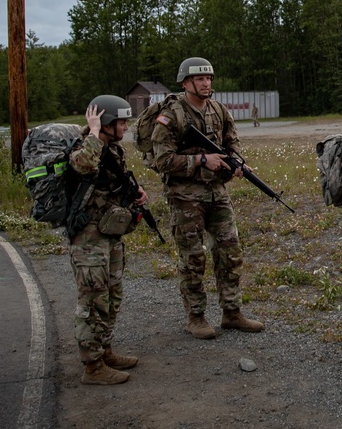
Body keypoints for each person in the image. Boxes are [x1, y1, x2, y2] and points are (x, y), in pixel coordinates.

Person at [151, 57, 264, 339]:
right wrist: (202, 160)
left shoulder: (219, 110)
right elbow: (162, 160)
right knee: (192, 257)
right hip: (185, 197)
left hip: (216, 192)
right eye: (200, 79)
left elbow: (231, 143)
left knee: (230, 251)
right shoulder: (171, 115)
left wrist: (237, 163)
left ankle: (232, 312)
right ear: (185, 83)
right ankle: (196, 316)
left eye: (209, 78)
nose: (206, 83)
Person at [68, 95, 147, 385]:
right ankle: (92, 366)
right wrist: (92, 132)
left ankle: (105, 351)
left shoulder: (112, 149)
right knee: (93, 299)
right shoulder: (85, 145)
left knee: (113, 295)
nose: (125, 127)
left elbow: (111, 184)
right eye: (121, 122)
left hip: (109, 233)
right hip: (88, 237)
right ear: (105, 123)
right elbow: (83, 166)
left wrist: (135, 195)